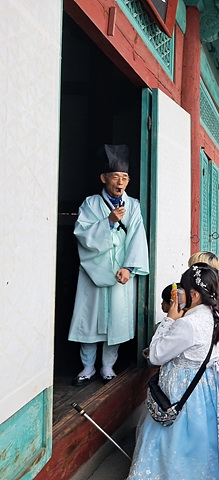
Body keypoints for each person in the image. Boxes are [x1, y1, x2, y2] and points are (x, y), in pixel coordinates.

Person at [127, 264, 219, 480]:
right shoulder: (212, 314)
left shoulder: (188, 324)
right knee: (207, 439)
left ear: (194, 294)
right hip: (208, 388)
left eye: (183, 290)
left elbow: (156, 355)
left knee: (176, 440)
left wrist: (169, 319)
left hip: (183, 390)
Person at [68, 145, 149, 385]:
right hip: (93, 272)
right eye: (115, 177)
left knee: (116, 321)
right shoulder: (90, 204)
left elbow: (137, 237)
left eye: (124, 177)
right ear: (104, 178)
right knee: (89, 320)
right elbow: (82, 234)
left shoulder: (133, 206)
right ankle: (87, 367)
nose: (120, 182)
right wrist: (109, 222)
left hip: (119, 273)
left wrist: (129, 268)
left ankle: (107, 366)